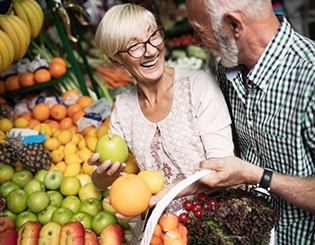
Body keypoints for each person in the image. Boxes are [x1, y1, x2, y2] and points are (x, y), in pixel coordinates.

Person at [185, 0, 315, 244]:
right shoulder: (227, 69)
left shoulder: (309, 76)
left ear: (234, 25)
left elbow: (247, 172)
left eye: (199, 30)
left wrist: (256, 175)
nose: (194, 40)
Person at [88, 3, 234, 213]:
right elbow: (105, 181)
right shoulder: (123, 108)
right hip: (164, 230)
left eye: (153, 35)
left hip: (216, 217)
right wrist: (102, 176)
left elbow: (224, 169)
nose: (150, 50)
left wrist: (172, 191)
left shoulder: (197, 86)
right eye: (135, 46)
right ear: (116, 60)